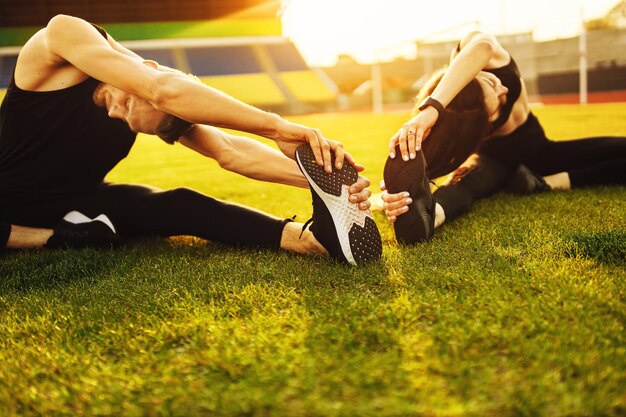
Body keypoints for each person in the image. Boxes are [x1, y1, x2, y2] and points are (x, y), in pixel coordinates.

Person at [0, 14, 382, 265]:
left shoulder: (161, 106)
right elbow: (162, 90)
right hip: (8, 201)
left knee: (179, 203)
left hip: (79, 200)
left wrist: (328, 182)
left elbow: (230, 152)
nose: (117, 115)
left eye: (131, 117)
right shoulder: (64, 35)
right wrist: (277, 128)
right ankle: (54, 238)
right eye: (131, 101)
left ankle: (306, 239)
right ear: (146, 69)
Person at [381, 31, 626, 244]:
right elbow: (415, 169)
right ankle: (432, 216)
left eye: (490, 82)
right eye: (497, 102)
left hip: (538, 150)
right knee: (465, 187)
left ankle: (546, 182)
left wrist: (432, 108)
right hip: (492, 160)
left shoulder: (468, 58)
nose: (504, 89)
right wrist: (393, 196)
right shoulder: (461, 124)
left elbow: (483, 46)